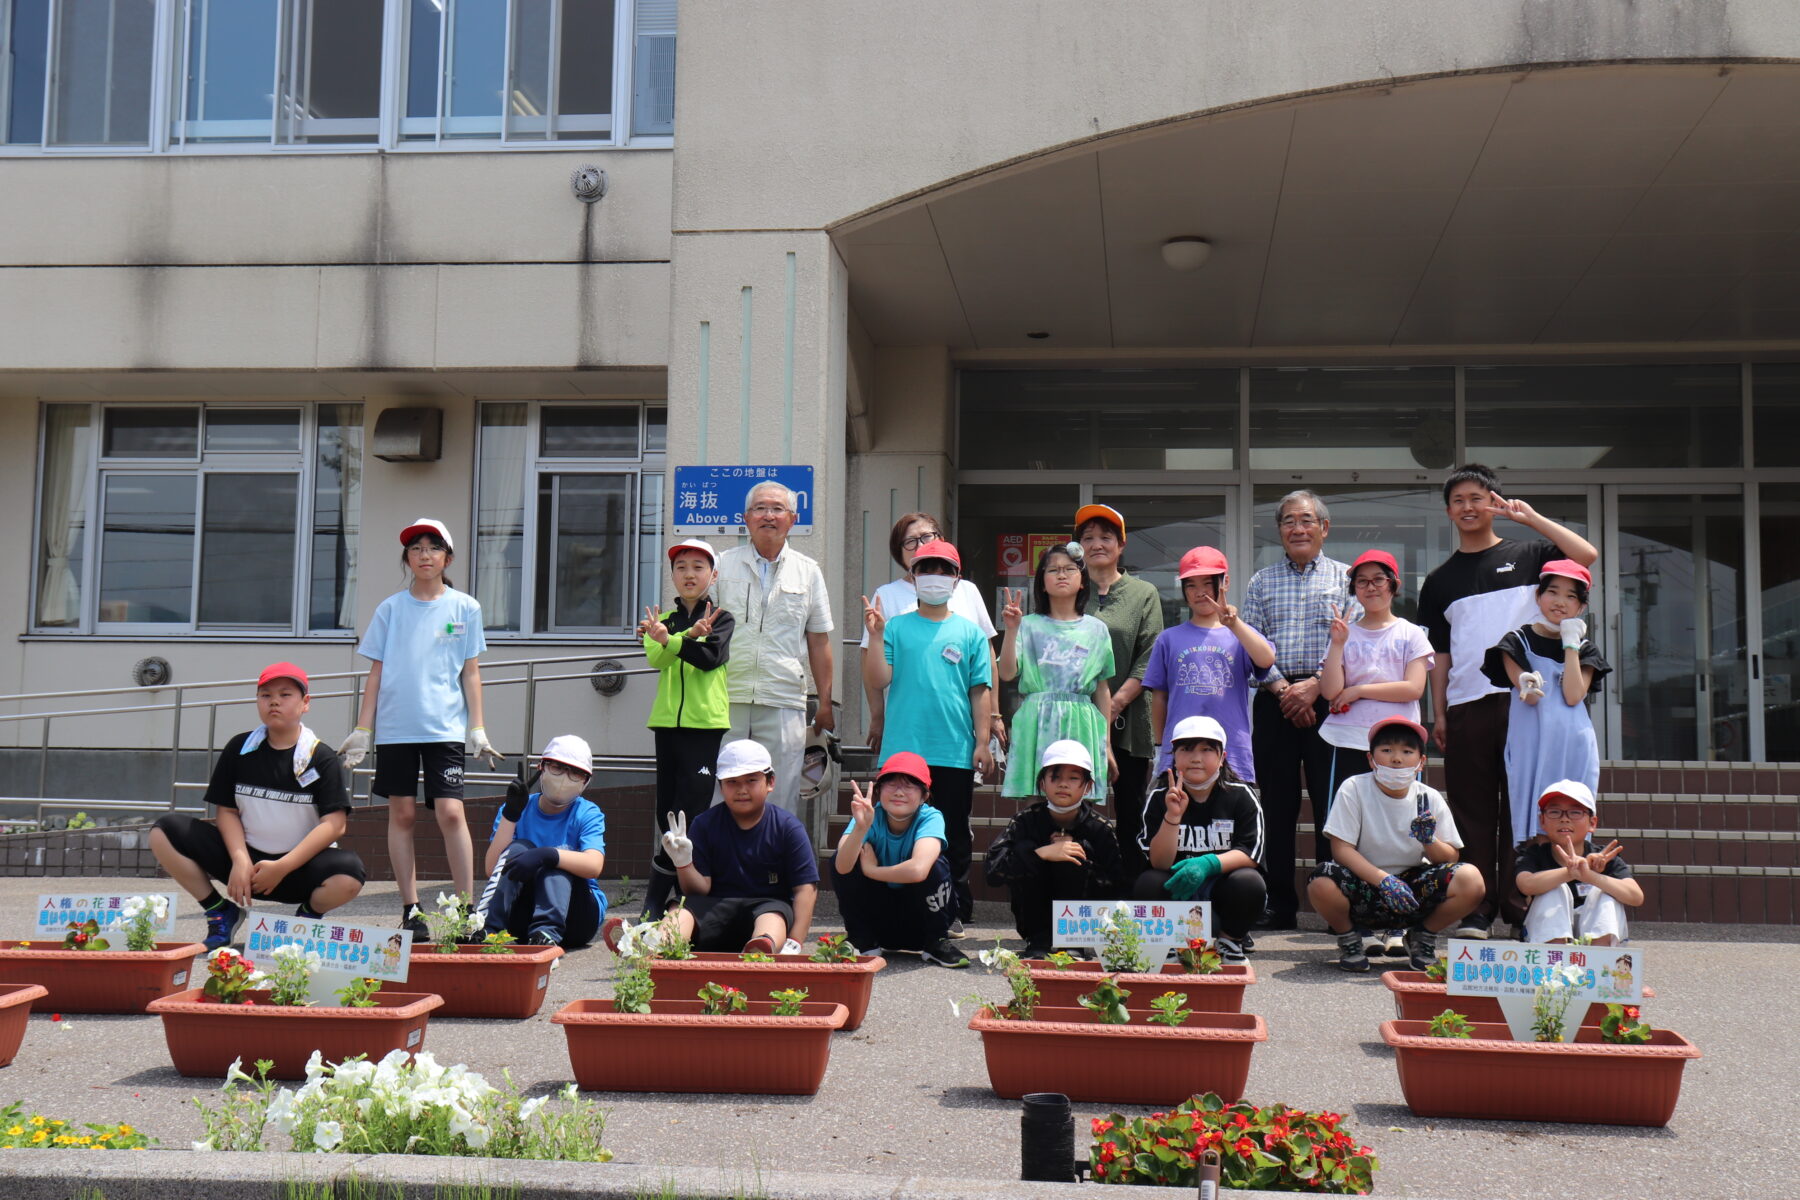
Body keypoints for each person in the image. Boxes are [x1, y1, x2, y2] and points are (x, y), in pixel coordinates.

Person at [1416, 465, 1597, 939]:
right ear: (1448, 510)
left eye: (1478, 497)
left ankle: (1523, 909)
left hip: (1528, 705)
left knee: (1522, 806)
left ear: (1494, 501)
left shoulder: (1532, 554)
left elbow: (1587, 555)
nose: (1469, 507)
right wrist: (1438, 713)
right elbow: (1440, 652)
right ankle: (1477, 909)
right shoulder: (1438, 580)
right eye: (1459, 500)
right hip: (1467, 703)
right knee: (1472, 808)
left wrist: (1531, 518)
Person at [338, 518, 499, 939]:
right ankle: (411, 909)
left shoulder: (466, 607)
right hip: (395, 729)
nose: (424, 555)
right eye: (416, 548)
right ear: (407, 558)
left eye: (433, 547)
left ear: (447, 557)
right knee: (403, 813)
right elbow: (376, 672)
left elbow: (471, 674)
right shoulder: (391, 609)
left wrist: (477, 728)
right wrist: (362, 728)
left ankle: (467, 912)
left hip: (444, 727)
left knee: (450, 811)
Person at [152, 663, 365, 949]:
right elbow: (226, 811)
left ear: (305, 704)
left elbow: (335, 825)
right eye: (265, 695)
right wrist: (240, 860)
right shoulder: (239, 748)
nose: (274, 701)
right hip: (243, 867)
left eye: (285, 694)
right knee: (165, 830)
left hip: (295, 868)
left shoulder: (321, 757)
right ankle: (220, 912)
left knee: (349, 872)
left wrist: (282, 866)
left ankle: (303, 922)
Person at [862, 539, 994, 935]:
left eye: (943, 570)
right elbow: (878, 679)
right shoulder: (896, 626)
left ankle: (951, 908)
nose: (934, 577)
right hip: (903, 749)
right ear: (913, 576)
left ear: (957, 579)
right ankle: (890, 903)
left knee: (953, 830)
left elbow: (980, 690)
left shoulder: (969, 633)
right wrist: (875, 636)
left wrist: (983, 740)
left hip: (953, 748)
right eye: (925, 569)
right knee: (893, 827)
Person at [1241, 490, 1356, 933]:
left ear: (1324, 528)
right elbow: (1251, 645)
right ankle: (1280, 904)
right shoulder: (1261, 581)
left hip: (1332, 700)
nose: (1298, 528)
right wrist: (1286, 689)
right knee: (1277, 804)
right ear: (1280, 531)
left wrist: (1313, 689)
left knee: (1333, 807)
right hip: (1275, 700)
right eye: (1289, 521)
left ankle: (1333, 905)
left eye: (1307, 520)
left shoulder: (1349, 579)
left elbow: (1355, 642)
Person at [1319, 548, 1435, 957]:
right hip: (1349, 741)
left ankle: (1400, 923)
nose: (1370, 588)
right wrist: (1337, 645)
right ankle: (1361, 924)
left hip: (1399, 748)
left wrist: (1361, 689)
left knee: (1406, 832)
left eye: (1378, 580)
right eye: (1362, 582)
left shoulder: (1410, 632)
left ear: (1393, 585)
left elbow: (1413, 688)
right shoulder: (1345, 632)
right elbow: (1331, 691)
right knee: (1354, 833)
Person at [1307, 717, 1484, 973]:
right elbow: (1341, 849)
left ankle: (1423, 935)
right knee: (1321, 880)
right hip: (1365, 884)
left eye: (1407, 751)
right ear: (1371, 759)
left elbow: (1450, 858)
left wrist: (1429, 840)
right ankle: (1349, 938)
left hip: (1413, 891)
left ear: (1421, 762)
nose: (1396, 759)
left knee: (1471, 879)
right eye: (1387, 750)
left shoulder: (1429, 797)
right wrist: (1384, 881)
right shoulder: (1354, 788)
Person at [714, 481, 835, 822]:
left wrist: (824, 702)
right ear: (746, 518)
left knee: (779, 795)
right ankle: (718, 872)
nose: (768, 515)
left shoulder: (808, 571)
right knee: (722, 789)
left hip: (783, 697)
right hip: (726, 696)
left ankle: (774, 873)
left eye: (777, 509)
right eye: (760, 508)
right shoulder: (722, 565)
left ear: (793, 519)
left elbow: (819, 641)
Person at [1481, 560, 1611, 848]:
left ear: (1581, 606)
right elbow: (1526, 691)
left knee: (1573, 824)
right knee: (1533, 822)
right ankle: (1536, 887)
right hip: (1532, 743)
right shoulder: (1517, 641)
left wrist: (1570, 644)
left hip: (1573, 745)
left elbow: (1574, 694)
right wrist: (1527, 681)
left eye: (1571, 596)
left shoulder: (1584, 647)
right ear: (1538, 596)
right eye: (1553, 592)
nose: (1560, 602)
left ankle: (1573, 884)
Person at [638, 538, 735, 918]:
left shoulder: (722, 617)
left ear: (713, 575)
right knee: (666, 811)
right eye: (681, 567)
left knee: (690, 810)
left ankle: (666, 895)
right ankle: (672, 896)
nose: (689, 574)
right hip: (666, 724)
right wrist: (676, 637)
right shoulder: (661, 619)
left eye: (698, 567)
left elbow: (710, 658)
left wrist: (682, 640)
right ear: (673, 576)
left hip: (705, 724)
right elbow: (655, 658)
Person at [860, 511, 1001, 758]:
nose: (920, 545)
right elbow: (871, 662)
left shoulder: (967, 590)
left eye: (927, 536)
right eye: (910, 541)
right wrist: (877, 716)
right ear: (899, 550)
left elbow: (987, 659)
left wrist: (993, 715)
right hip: (907, 725)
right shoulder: (888, 596)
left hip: (957, 728)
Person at [657, 739, 818, 953]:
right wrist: (683, 863)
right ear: (720, 785)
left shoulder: (788, 827)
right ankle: (657, 945)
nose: (742, 789)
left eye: (751, 780)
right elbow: (698, 890)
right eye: (732, 781)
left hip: (766, 908)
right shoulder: (704, 824)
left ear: (770, 782)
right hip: (713, 911)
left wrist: (796, 939)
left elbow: (805, 889)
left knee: (774, 914)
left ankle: (762, 948)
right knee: (682, 908)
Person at [1074, 504, 1164, 879]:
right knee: (1072, 808)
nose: (1097, 544)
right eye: (1088, 537)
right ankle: (1081, 893)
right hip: (1075, 718)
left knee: (1131, 813)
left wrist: (1113, 705)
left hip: (1128, 720)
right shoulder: (1070, 589)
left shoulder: (1143, 593)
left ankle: (1131, 894)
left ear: (1121, 545)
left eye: (1106, 537)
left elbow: (1150, 654)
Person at [1133, 717, 1266, 963]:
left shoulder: (1242, 795)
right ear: (1174, 756)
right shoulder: (1158, 798)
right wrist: (1173, 817)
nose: (1196, 758)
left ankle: (1229, 942)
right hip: (1178, 892)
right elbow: (1160, 862)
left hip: (1222, 893)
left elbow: (1250, 853)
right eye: (1187, 749)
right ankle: (1171, 942)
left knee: (1250, 882)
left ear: (1222, 756)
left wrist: (1207, 864)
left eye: (1206, 749)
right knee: (1148, 883)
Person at [1144, 547, 1276, 786]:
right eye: (1191, 585)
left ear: (1224, 583)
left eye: (1207, 583)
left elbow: (1266, 660)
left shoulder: (1240, 634)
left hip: (1232, 754)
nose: (1200, 592)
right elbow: (1159, 697)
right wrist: (1160, 748)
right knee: (1178, 818)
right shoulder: (1168, 638)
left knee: (1231, 819)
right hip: (1180, 751)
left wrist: (1234, 624)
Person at [998, 541, 1117, 801]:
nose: (1061, 574)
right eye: (1052, 570)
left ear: (1083, 580)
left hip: (1082, 721)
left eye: (1069, 569)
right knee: (1036, 799)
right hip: (1036, 719)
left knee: (1078, 799)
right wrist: (1011, 629)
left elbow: (1102, 688)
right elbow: (1006, 673)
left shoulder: (1096, 630)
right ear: (1042, 582)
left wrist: (1107, 743)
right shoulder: (1027, 625)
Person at [985, 740, 1124, 959]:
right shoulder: (1025, 821)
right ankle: (1039, 940)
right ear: (1042, 783)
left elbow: (1116, 885)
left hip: (1084, 923)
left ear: (1088, 786)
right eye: (1055, 777)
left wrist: (1081, 856)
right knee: (1024, 848)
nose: (1063, 784)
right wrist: (1039, 854)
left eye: (1073, 778)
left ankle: (1072, 943)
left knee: (1074, 855)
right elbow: (993, 872)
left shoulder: (1100, 828)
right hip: (1033, 914)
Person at [831, 751, 966, 966]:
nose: (899, 792)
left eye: (909, 785)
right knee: (846, 854)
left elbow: (918, 870)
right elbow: (842, 867)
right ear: (879, 789)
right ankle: (861, 941)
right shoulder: (869, 816)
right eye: (891, 784)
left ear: (924, 795)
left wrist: (872, 871)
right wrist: (861, 828)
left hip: (920, 924)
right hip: (880, 924)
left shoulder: (930, 817)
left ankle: (937, 943)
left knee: (936, 865)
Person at [479, 735, 607, 948]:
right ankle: (490, 930)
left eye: (575, 773)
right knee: (520, 847)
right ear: (541, 768)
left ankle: (545, 938)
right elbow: (492, 868)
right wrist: (511, 815)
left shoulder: (587, 812)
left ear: (586, 781)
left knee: (556, 862)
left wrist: (549, 855)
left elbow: (594, 865)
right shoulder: (516, 808)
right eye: (557, 767)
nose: (565, 778)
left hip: (576, 919)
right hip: (522, 914)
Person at [1514, 780, 1640, 946]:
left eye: (1575, 812)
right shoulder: (1535, 853)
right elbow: (1526, 884)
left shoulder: (1602, 856)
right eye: (1555, 812)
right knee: (1553, 890)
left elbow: (1635, 897)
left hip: (1595, 942)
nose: (1564, 819)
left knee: (1605, 897)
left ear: (1592, 823)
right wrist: (1570, 872)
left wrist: (1590, 876)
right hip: (1546, 945)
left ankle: (1598, 963)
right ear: (1542, 821)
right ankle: (1555, 964)